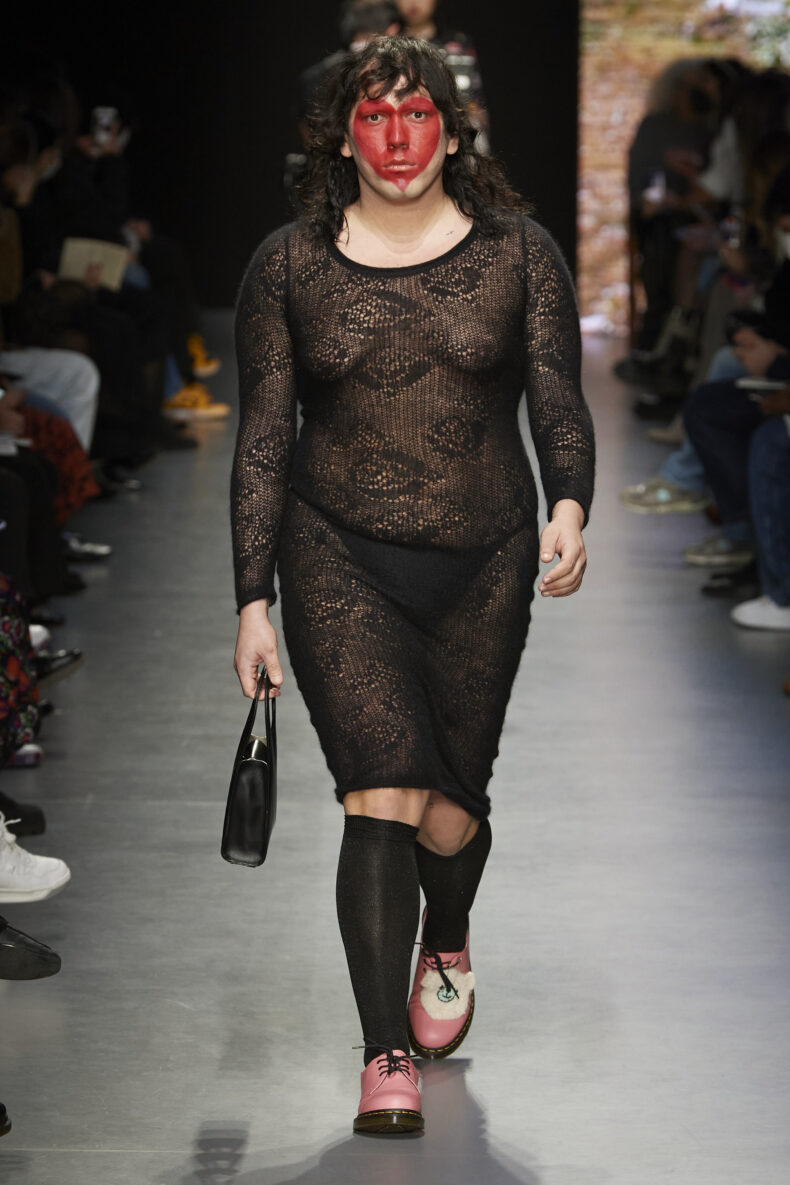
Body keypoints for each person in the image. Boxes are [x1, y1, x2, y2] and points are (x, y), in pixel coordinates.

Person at [231, 35, 594, 1136]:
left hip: (485, 558)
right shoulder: (286, 266)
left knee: (448, 811)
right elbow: (262, 441)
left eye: (419, 115)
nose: (398, 140)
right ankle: (383, 1051)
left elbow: (558, 397)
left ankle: (449, 931)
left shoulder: (520, 253)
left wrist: (569, 505)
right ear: (343, 136)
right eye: (376, 117)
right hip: (334, 551)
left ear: (452, 129)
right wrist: (252, 599)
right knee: (380, 792)